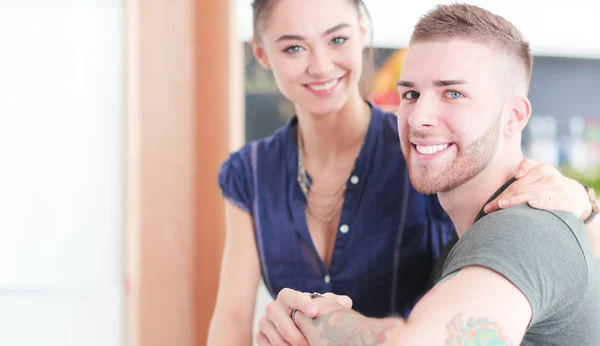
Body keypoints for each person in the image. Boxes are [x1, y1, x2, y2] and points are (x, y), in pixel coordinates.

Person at [207, 0, 600, 344]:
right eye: (410, 94)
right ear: (261, 53)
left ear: (362, 34)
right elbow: (232, 317)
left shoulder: (521, 228)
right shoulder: (252, 170)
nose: (421, 117)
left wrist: (314, 317)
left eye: (453, 93)